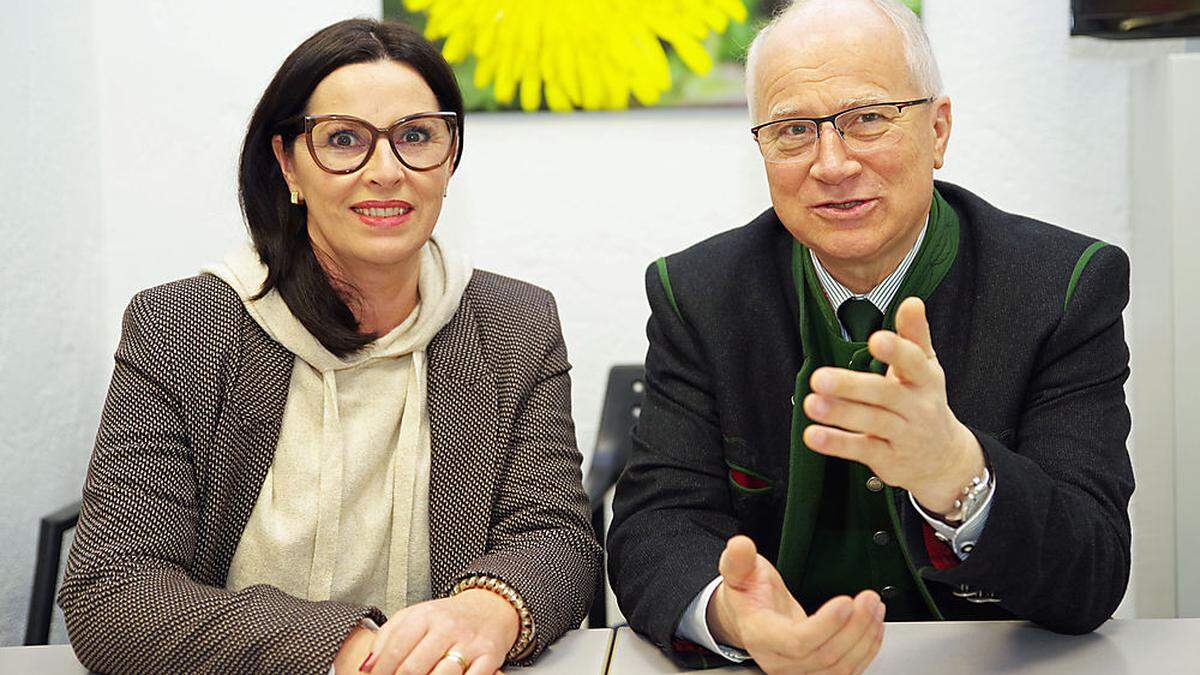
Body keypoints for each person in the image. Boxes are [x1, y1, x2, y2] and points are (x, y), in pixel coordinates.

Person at [58, 18, 599, 675]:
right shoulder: (180, 327)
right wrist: (354, 652)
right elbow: (114, 591)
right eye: (344, 139)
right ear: (288, 162)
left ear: (450, 158)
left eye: (416, 136)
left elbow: (557, 538)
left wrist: (490, 608)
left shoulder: (515, 322)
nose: (386, 170)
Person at [607, 0, 1134, 671]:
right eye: (794, 129)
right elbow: (657, 522)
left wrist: (958, 474)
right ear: (761, 148)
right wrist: (730, 612)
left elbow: (1093, 572)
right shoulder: (699, 294)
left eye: (867, 120)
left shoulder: (1062, 288)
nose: (832, 163)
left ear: (938, 130)